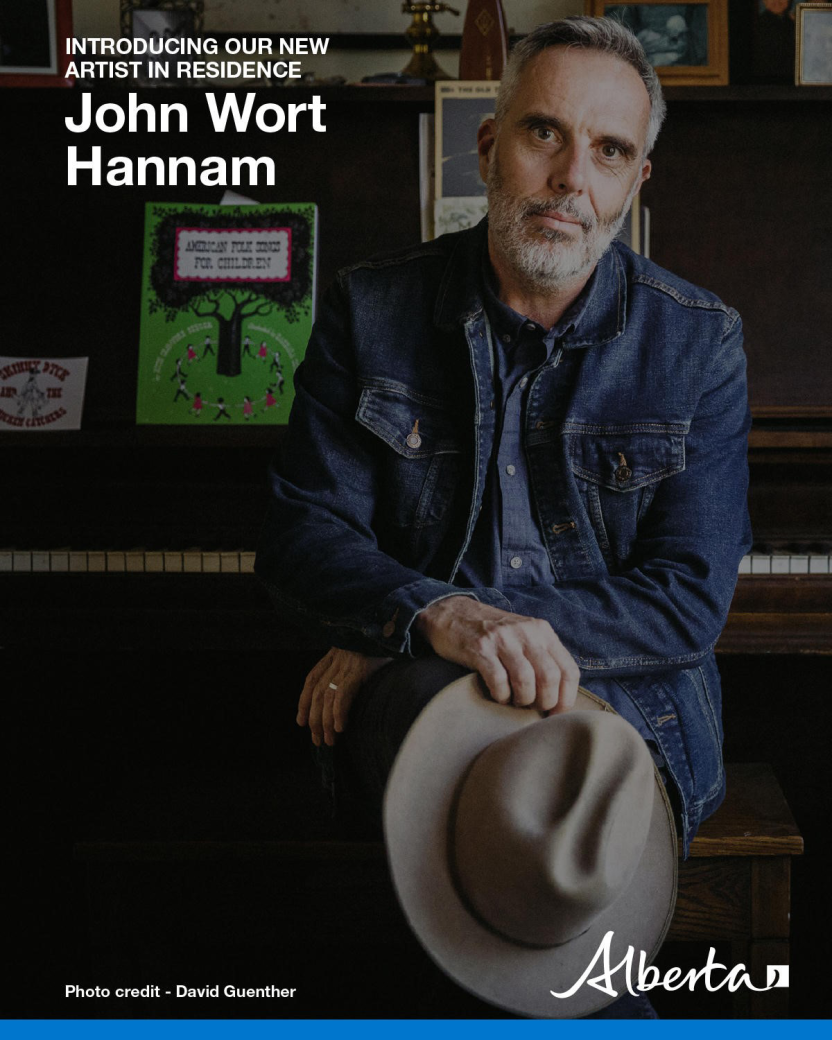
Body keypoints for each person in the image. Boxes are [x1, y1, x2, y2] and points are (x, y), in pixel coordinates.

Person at [255, 15, 751, 1016]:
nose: (573, 175)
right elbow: (301, 536)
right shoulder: (371, 308)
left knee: (524, 859)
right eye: (544, 134)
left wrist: (416, 621)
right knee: (471, 836)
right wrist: (421, 620)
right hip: (423, 698)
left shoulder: (700, 343)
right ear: (487, 146)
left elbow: (685, 604)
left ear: (634, 183)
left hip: (622, 705)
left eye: (609, 150)